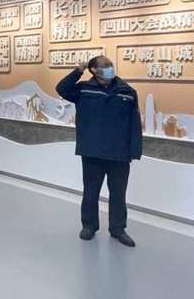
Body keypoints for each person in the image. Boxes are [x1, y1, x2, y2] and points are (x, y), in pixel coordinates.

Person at [56, 56, 142, 247]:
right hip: (92, 150)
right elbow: (62, 88)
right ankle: (89, 226)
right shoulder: (83, 89)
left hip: (119, 153)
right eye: (104, 66)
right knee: (91, 191)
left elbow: (135, 123)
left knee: (118, 193)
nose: (110, 68)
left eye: (110, 65)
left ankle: (118, 229)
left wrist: (134, 150)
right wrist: (78, 71)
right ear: (94, 70)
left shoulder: (127, 91)